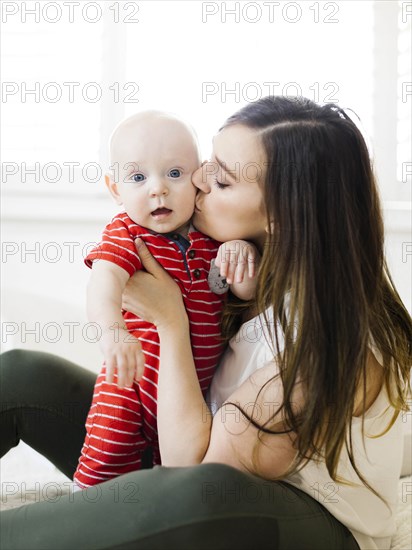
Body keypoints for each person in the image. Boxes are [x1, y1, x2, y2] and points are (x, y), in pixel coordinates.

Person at [1, 96, 411, 550]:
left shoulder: (323, 350)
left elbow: (191, 470)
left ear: (282, 216)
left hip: (299, 520)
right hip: (193, 443)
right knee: (24, 374)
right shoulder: (242, 268)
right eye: (206, 164)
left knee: (195, 495)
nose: (196, 180)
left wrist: (170, 321)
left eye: (221, 179)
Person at [74, 110, 258, 487]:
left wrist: (241, 254)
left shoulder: (214, 237)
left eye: (174, 174)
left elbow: (246, 295)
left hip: (192, 396)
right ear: (115, 189)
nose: (157, 189)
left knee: (160, 484)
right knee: (106, 465)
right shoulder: (127, 232)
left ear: (199, 178)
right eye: (138, 178)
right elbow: (103, 283)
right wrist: (114, 333)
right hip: (131, 387)